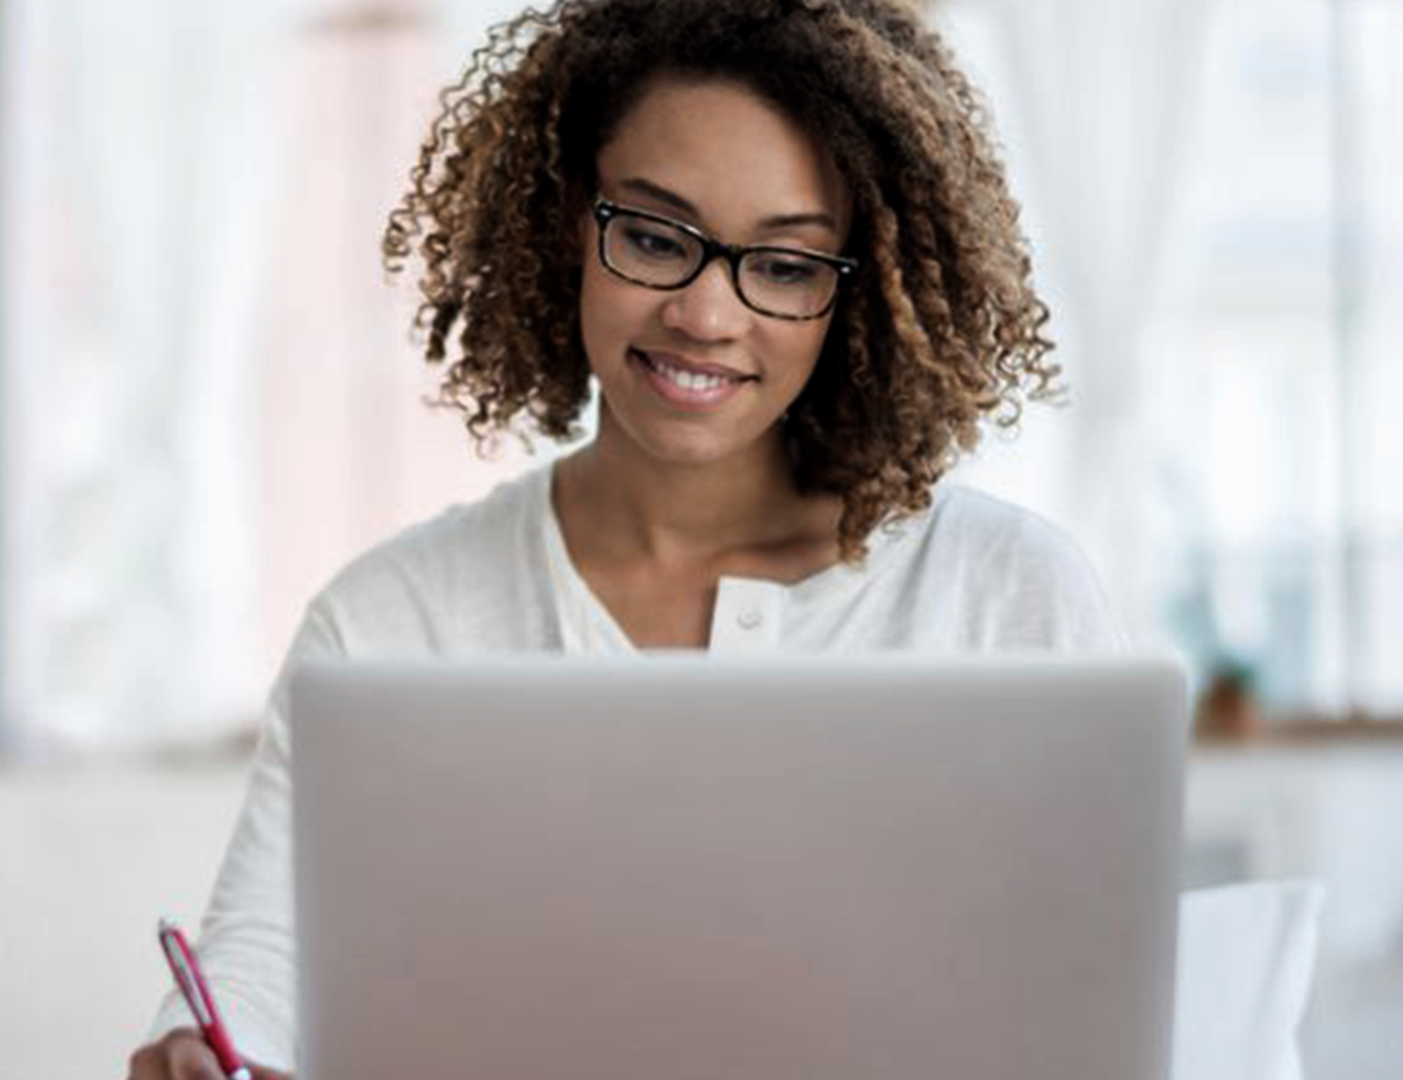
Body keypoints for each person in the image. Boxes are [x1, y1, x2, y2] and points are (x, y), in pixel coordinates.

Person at [128, 0, 1118, 1077]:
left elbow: (1101, 997)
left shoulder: (1007, 596)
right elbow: (265, 964)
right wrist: (199, 1044)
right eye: (653, 237)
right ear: (570, 223)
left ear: (859, 293)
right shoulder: (390, 622)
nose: (703, 315)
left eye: (785, 266)